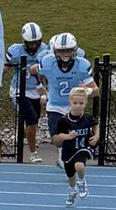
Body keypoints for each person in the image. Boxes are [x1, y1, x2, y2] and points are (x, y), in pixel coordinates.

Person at [33, 33, 98, 162]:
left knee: (76, 137)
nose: (65, 54)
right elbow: (33, 71)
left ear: (75, 50)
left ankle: (70, 154)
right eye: (61, 51)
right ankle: (62, 150)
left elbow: (96, 91)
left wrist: (88, 91)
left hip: (74, 107)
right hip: (55, 105)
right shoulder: (48, 62)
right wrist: (40, 87)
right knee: (57, 140)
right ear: (55, 51)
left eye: (68, 50)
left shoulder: (82, 65)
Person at [8, 23, 49, 162]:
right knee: (31, 119)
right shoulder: (16, 50)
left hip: (36, 90)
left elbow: (47, 72)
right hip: (19, 90)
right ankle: (33, 153)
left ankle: (21, 137)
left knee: (34, 122)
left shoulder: (45, 50)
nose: (33, 45)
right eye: (30, 43)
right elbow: (6, 67)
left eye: (36, 42)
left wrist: (44, 90)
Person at [54, 87, 99, 205]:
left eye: (81, 103)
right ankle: (72, 190)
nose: (78, 106)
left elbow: (96, 124)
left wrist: (96, 136)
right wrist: (68, 136)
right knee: (70, 175)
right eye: (75, 103)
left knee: (79, 166)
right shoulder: (64, 120)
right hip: (69, 149)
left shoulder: (88, 118)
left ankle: (82, 182)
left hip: (83, 147)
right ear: (70, 103)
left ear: (85, 103)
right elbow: (60, 135)